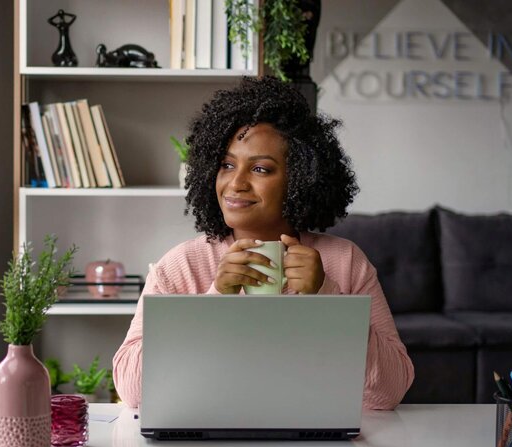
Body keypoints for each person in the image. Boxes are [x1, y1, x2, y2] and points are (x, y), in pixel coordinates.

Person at [113, 76, 414, 410]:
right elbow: (131, 389)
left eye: (260, 169)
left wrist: (326, 296)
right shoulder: (180, 266)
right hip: (209, 440)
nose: (235, 183)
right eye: (227, 165)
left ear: (300, 179)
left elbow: (391, 391)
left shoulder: (344, 261)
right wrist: (214, 301)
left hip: (312, 441)